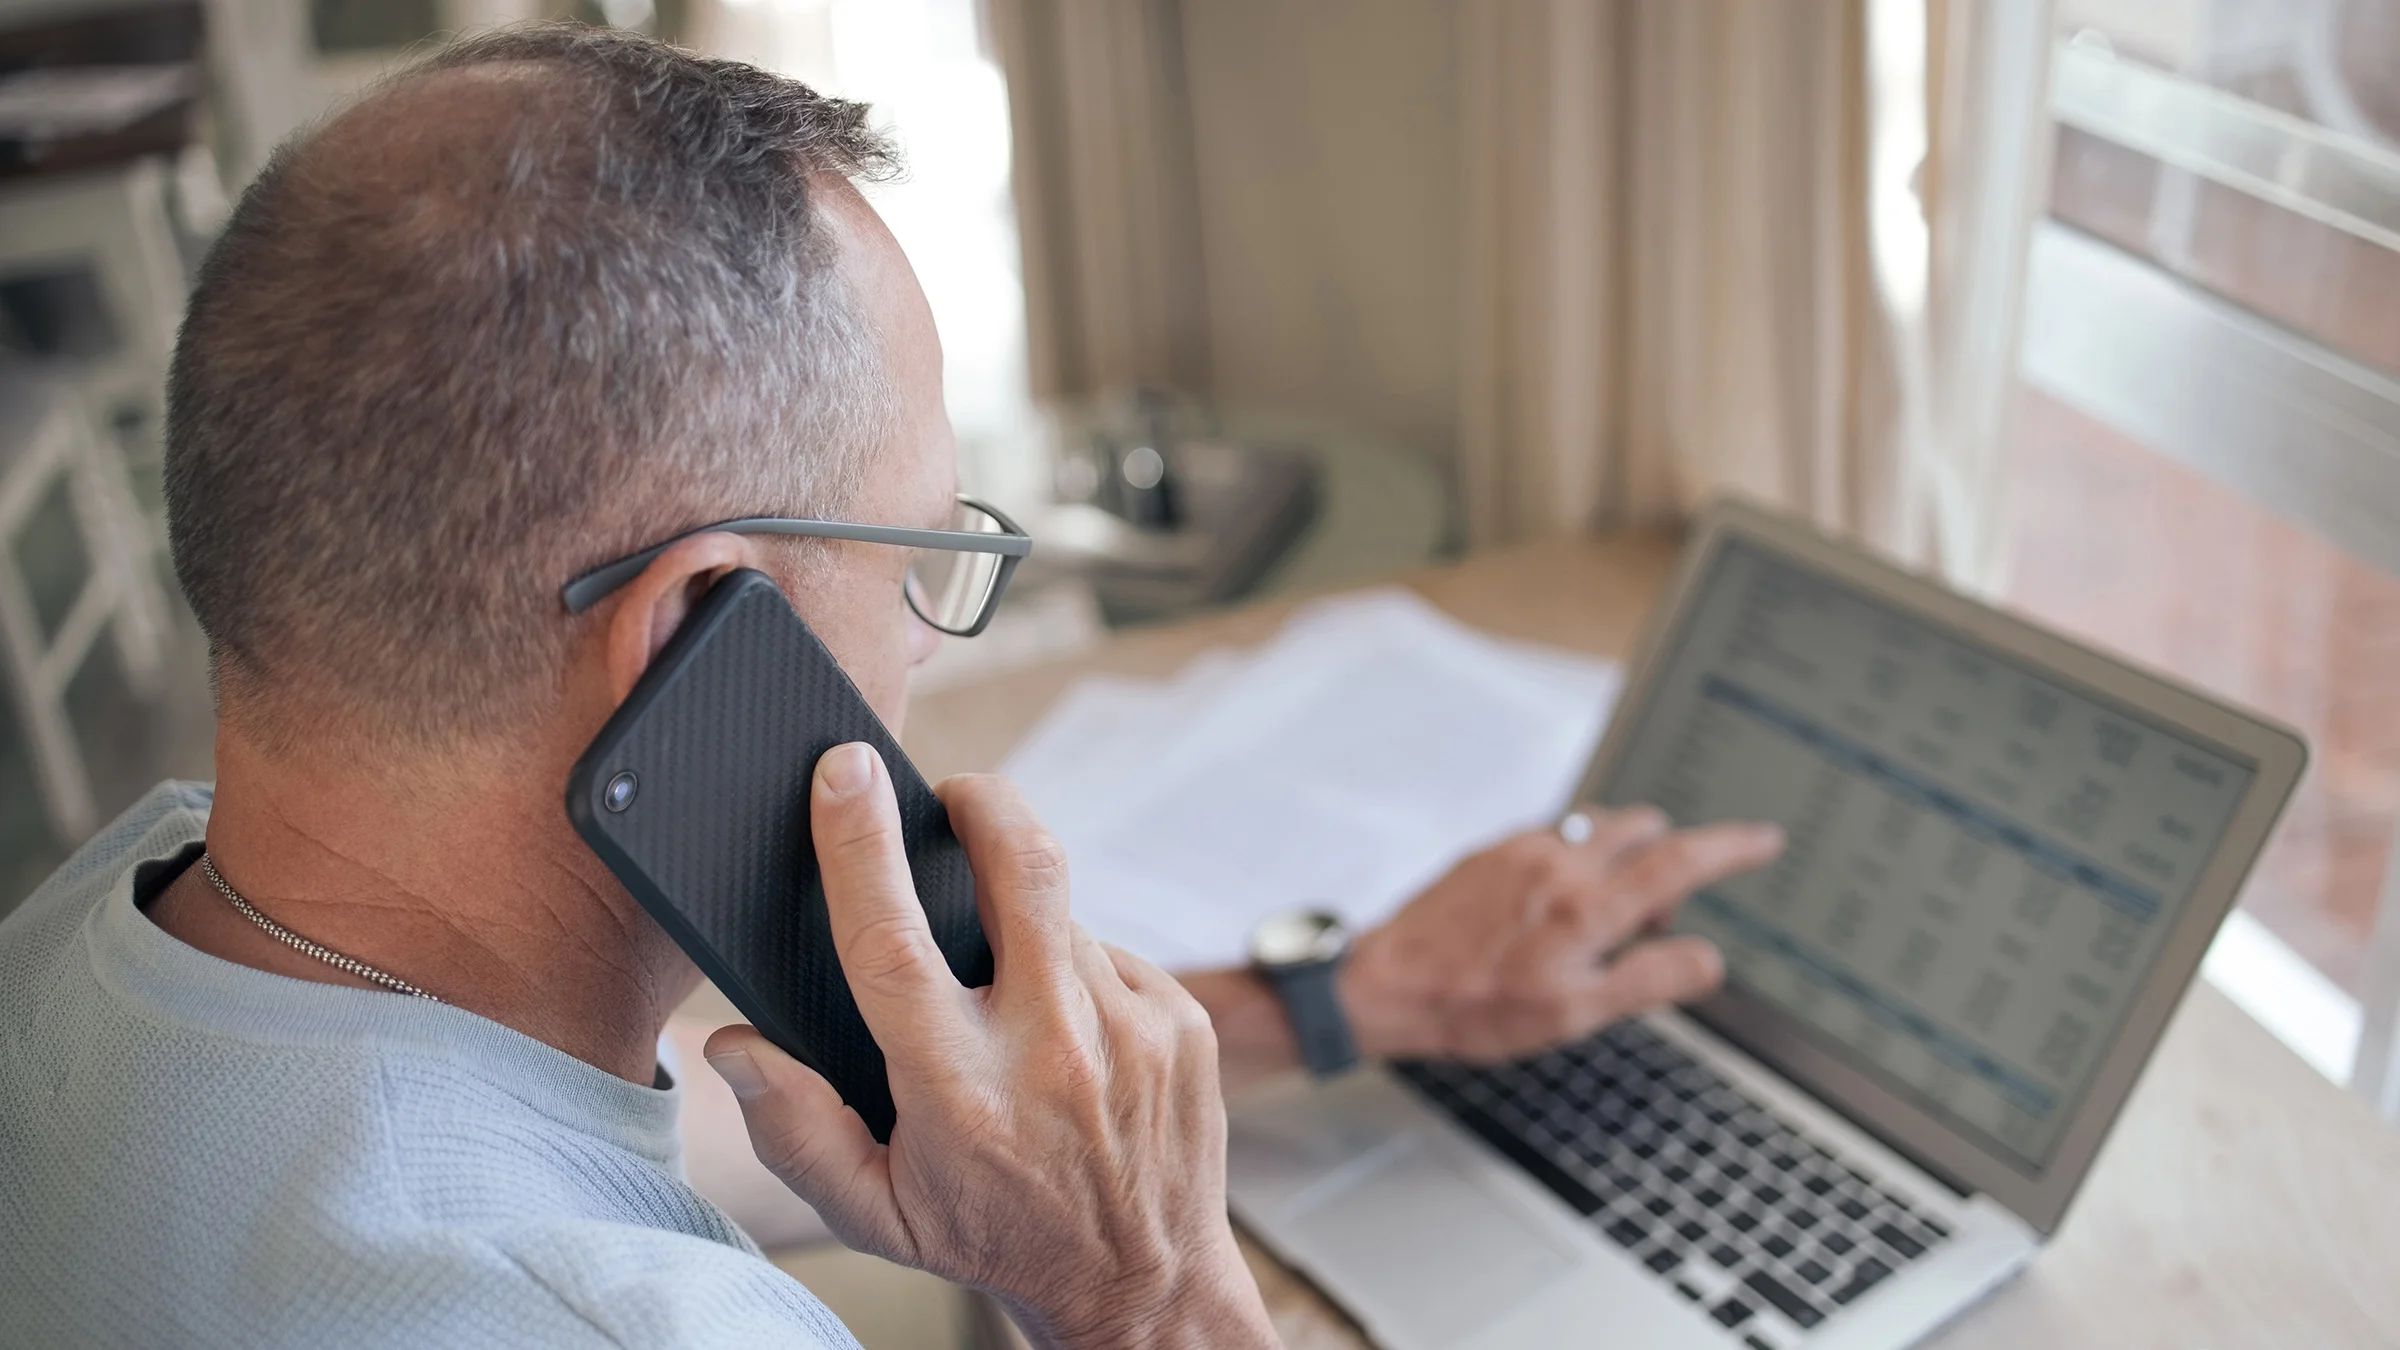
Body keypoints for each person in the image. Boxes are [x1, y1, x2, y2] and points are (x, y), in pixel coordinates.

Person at [0, 24, 1783, 1348]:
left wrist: (1330, 1001)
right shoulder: (624, 1323)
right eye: (921, 557)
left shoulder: (114, 928)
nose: (928, 644)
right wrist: (1153, 1284)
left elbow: (641, 1118)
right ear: (709, 631)